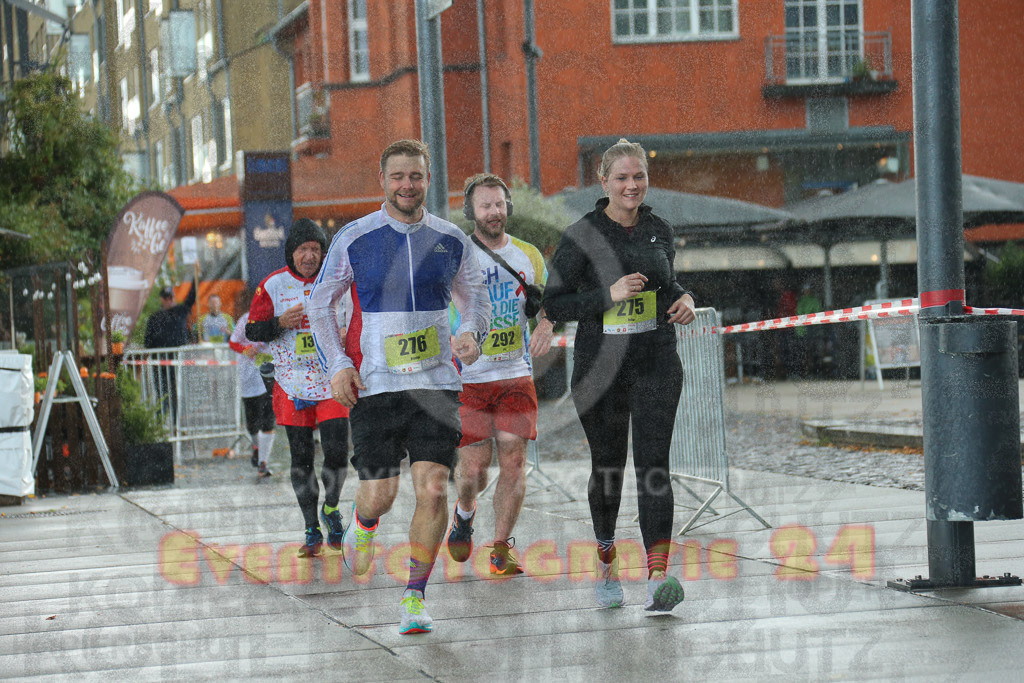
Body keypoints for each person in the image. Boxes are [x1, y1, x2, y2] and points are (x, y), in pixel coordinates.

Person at [307, 139, 490, 636]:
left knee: (433, 488)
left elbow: (475, 297)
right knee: (381, 496)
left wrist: (472, 331)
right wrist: (338, 365)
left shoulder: (451, 238)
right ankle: (362, 525)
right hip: (376, 386)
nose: (407, 185)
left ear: (428, 180)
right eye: (398, 177)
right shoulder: (356, 236)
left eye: (416, 176)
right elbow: (320, 304)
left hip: (437, 386)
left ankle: (414, 595)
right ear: (382, 181)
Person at [543, 138, 694, 612]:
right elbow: (554, 304)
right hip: (601, 371)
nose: (632, 186)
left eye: (639, 177)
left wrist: (685, 298)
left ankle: (657, 577)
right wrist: (607, 294)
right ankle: (606, 557)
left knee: (654, 469)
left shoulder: (659, 229)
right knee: (608, 471)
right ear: (604, 182)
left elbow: (667, 283)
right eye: (622, 178)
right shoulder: (582, 235)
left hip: (655, 365)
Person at [445, 173, 553, 577]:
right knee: (473, 470)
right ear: (470, 211)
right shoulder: (458, 254)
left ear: (508, 207)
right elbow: (438, 305)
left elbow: (545, 301)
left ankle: (502, 547)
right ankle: (465, 513)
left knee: (514, 461)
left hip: (515, 376)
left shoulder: (529, 255)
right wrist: (454, 340)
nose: (493, 211)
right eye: (484, 205)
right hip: (470, 377)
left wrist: (545, 325)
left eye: (498, 204)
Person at [246, 218, 351, 558]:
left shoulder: (336, 282)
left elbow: (354, 320)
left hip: (330, 380)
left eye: (316, 249)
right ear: (292, 252)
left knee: (336, 450)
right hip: (291, 384)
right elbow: (252, 331)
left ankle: (331, 508)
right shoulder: (272, 286)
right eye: (304, 249)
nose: (310, 256)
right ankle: (310, 528)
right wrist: (278, 323)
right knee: (301, 458)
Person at [228, 292, 276, 478]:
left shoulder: (274, 321)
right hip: (248, 378)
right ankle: (256, 446)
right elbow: (233, 343)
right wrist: (247, 349)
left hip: (269, 377)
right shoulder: (245, 320)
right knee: (252, 423)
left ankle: (264, 463)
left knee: (268, 420)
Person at [144, 271, 198, 421]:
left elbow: (191, 298)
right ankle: (162, 424)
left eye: (171, 297)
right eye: (166, 298)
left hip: (178, 360)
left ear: (174, 298)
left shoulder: (180, 311)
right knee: (162, 393)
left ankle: (176, 423)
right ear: (162, 299)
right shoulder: (154, 318)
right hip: (160, 362)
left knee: (178, 392)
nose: (169, 300)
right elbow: (147, 342)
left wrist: (195, 277)